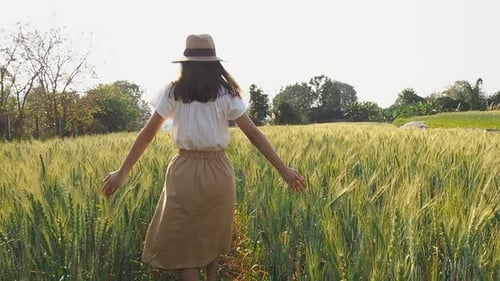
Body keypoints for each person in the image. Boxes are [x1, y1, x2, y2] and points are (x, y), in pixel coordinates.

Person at [101, 34, 306, 281]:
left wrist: (122, 172)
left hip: (184, 171)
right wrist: (283, 169)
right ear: (214, 64)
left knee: (181, 248)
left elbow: (147, 134)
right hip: (219, 171)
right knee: (210, 237)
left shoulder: (172, 92)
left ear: (185, 63)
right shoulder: (227, 94)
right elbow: (252, 133)